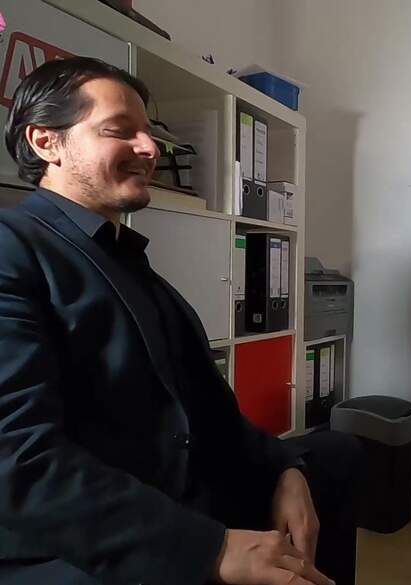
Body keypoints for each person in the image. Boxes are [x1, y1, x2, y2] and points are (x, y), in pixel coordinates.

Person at [0, 56, 362, 585]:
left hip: (180, 485)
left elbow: (208, 409)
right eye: (120, 130)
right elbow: (17, 460)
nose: (150, 148)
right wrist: (209, 549)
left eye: (148, 132)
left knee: (336, 455)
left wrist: (285, 467)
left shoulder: (125, 261)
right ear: (45, 142)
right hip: (89, 531)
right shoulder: (13, 251)